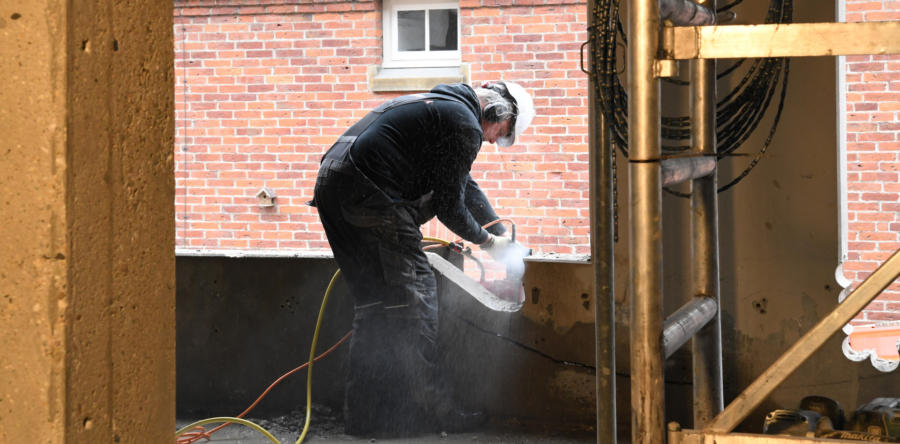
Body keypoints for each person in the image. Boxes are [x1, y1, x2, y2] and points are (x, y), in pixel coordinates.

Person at [309, 82, 534, 436]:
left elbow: (464, 186)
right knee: (417, 301)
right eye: (500, 134)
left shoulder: (442, 107)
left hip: (335, 184)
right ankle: (436, 411)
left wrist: (500, 233)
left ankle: (367, 417)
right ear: (497, 114)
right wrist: (490, 243)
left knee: (376, 303)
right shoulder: (464, 125)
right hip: (373, 193)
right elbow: (449, 206)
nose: (492, 141)